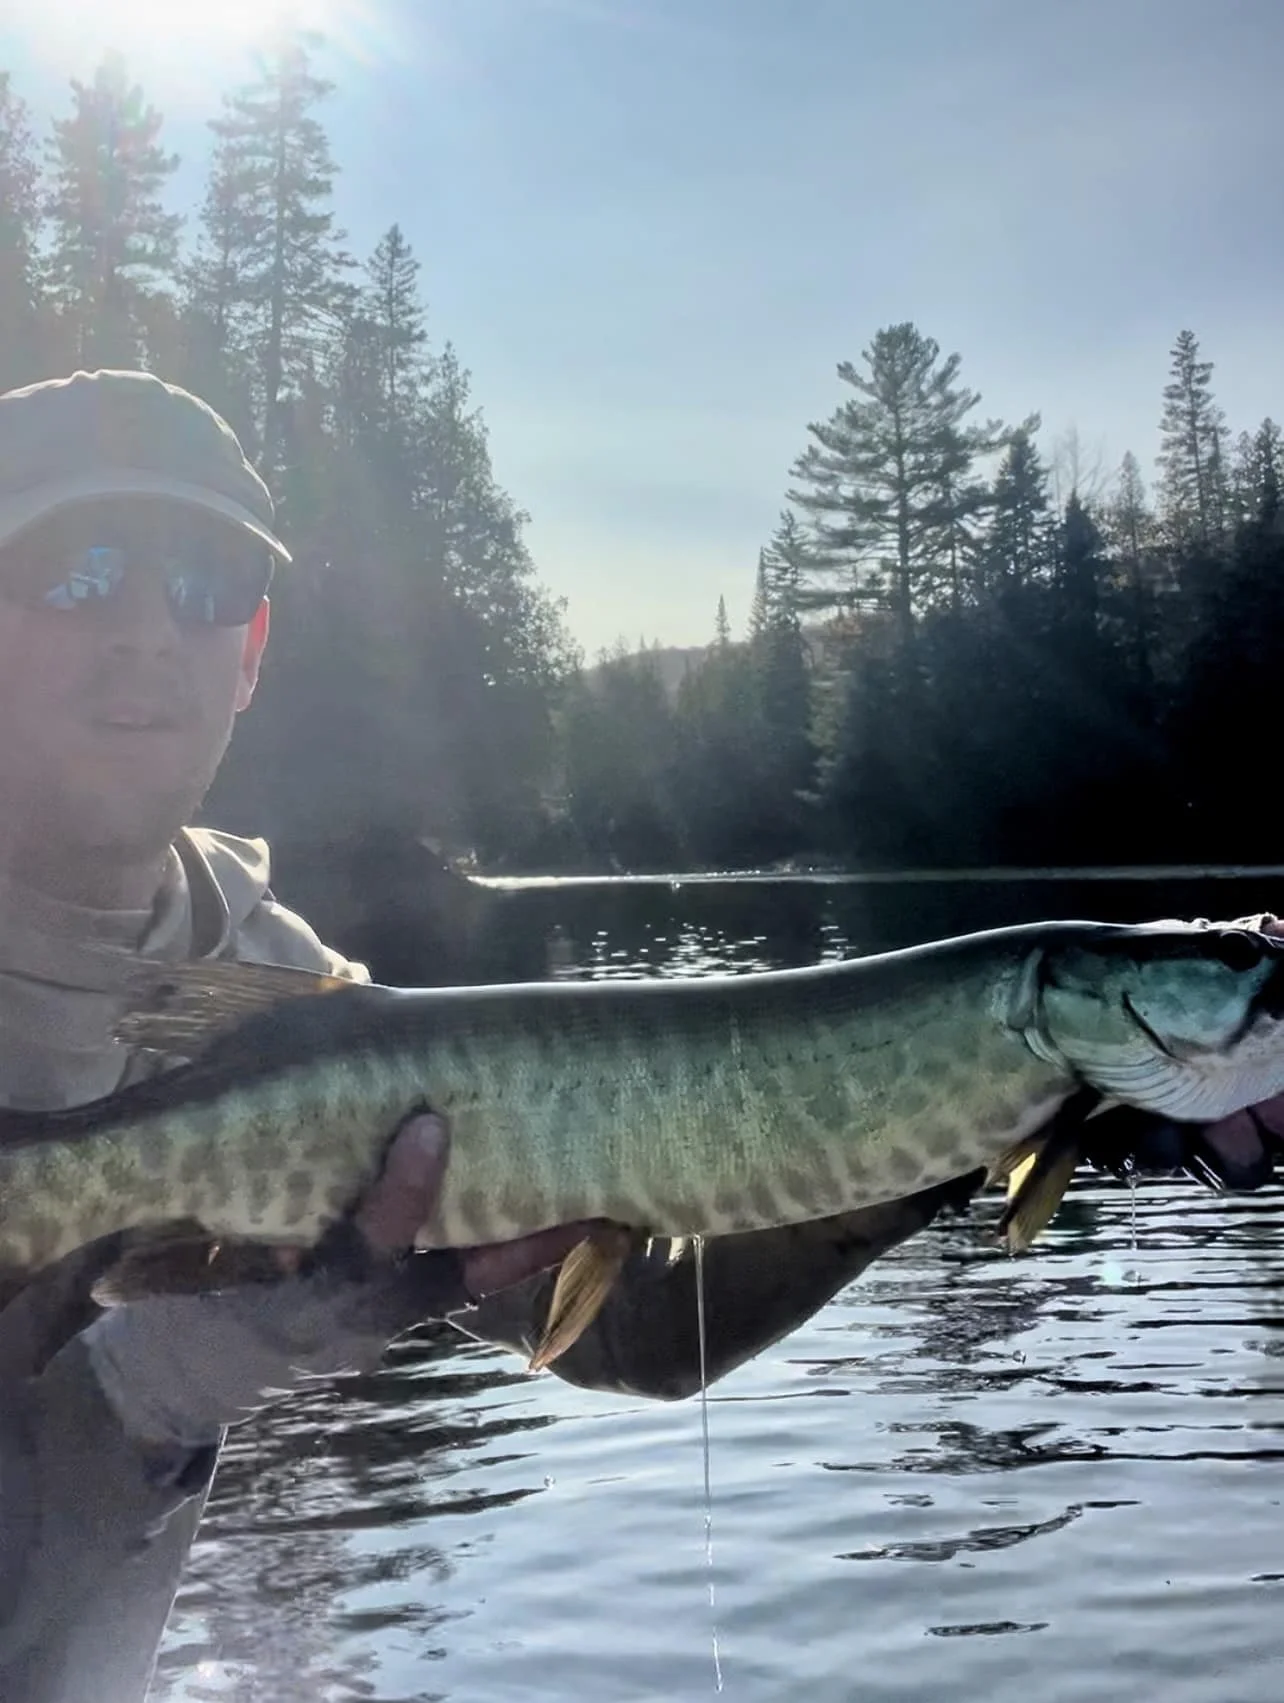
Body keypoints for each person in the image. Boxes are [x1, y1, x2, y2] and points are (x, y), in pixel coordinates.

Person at [0, 368, 986, 1703]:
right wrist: (167, 1373)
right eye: (78, 569)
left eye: (201, 585)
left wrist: (974, 1111)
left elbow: (632, 1327)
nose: (145, 633)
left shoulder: (283, 986)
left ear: (250, 652)